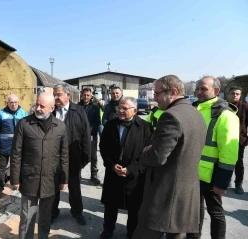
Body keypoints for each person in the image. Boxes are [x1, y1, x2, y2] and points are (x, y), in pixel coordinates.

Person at [131, 75, 207, 239]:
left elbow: (158, 157)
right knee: (176, 234)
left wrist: (144, 153)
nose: (154, 98)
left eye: (157, 93)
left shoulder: (171, 115)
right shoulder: (196, 113)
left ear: (173, 91)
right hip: (186, 191)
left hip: (166, 193)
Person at [10, 92, 69, 239]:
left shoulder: (60, 127)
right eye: (37, 104)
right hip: (30, 178)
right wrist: (15, 179)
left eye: (42, 106)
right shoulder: (24, 124)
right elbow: (16, 153)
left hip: (50, 179)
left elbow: (64, 155)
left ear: (52, 108)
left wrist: (64, 179)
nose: (37, 108)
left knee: (45, 218)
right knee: (27, 217)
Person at [187, 76, 239, 239]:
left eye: (204, 89)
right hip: (191, 172)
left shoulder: (225, 114)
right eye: (198, 89)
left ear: (216, 91)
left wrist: (222, 182)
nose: (199, 92)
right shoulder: (194, 108)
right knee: (194, 211)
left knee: (215, 212)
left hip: (212, 175)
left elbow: (229, 152)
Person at [99, 97, 152, 239]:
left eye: (124, 108)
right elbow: (103, 148)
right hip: (113, 173)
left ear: (134, 110)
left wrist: (131, 169)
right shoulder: (110, 125)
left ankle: (131, 232)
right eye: (119, 108)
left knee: (134, 208)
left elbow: (146, 154)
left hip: (134, 176)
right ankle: (108, 230)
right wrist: (111, 165)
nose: (120, 111)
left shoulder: (145, 128)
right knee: (111, 206)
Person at [51, 83, 91, 225]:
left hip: (73, 157)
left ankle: (77, 212)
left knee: (74, 187)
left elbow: (86, 135)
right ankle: (53, 212)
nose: (55, 97)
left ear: (68, 95)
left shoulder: (78, 111)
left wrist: (85, 157)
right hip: (53, 158)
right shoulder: (51, 111)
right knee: (53, 187)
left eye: (59, 94)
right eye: (54, 94)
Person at [0, 94, 27, 198]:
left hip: (19, 145)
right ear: (7, 103)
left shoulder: (23, 113)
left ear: (18, 102)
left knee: (18, 165)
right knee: (2, 167)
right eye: (11, 102)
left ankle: (18, 183)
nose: (14, 105)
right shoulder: (0, 114)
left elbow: (27, 130)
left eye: (16, 102)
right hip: (4, 145)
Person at [227, 85, 248, 194]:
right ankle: (225, 182)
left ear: (240, 95)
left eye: (237, 94)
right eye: (233, 93)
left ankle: (238, 184)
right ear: (228, 94)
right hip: (224, 139)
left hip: (239, 140)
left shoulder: (245, 107)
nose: (235, 95)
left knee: (238, 163)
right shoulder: (223, 106)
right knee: (223, 161)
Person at [78, 88, 101, 184]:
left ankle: (94, 175)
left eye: (88, 95)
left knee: (93, 156)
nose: (86, 97)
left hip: (91, 135)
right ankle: (78, 174)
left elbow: (97, 121)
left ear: (91, 96)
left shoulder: (95, 107)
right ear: (81, 95)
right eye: (84, 95)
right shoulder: (77, 106)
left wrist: (89, 132)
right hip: (79, 135)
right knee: (78, 154)